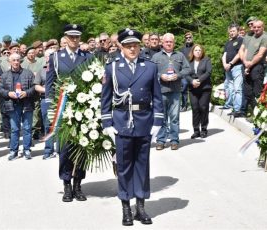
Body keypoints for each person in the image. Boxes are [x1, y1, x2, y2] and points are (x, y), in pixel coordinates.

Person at [101, 28, 164, 226]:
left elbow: (157, 96)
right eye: (128, 45)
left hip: (144, 120)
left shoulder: (150, 67)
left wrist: (158, 121)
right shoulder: (112, 67)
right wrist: (107, 123)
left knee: (142, 166)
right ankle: (126, 208)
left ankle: (141, 207)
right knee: (124, 166)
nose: (132, 48)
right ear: (121, 46)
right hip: (122, 122)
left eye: (135, 45)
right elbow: (106, 98)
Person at [45, 24, 92, 202]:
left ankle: (78, 184)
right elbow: (50, 83)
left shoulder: (88, 56)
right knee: (65, 148)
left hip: (84, 108)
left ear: (80, 38)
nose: (74, 39)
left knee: (82, 146)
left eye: (77, 37)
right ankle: (66, 184)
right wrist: (51, 107)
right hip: (63, 108)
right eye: (71, 36)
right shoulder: (55, 57)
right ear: (65, 37)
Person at [151, 33, 191, 151]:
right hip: (160, 91)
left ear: (174, 43)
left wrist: (177, 75)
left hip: (175, 91)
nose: (168, 43)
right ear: (162, 43)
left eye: (171, 42)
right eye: (166, 41)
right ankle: (160, 140)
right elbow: (150, 71)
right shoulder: (156, 57)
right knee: (161, 117)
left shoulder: (180, 55)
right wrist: (160, 76)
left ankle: (174, 140)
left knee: (174, 117)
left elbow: (188, 69)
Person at [0, 53, 36, 160]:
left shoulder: (28, 73)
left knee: (27, 128)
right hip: (12, 105)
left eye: (17, 60)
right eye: (13, 60)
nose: (15, 62)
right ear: (10, 62)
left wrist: (27, 93)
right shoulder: (4, 75)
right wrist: (8, 94)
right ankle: (14, 151)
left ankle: (27, 150)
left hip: (27, 104)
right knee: (14, 129)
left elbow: (34, 87)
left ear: (20, 61)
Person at [186, 44, 212, 138]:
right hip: (193, 89)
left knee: (203, 108)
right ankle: (196, 130)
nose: (198, 52)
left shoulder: (206, 60)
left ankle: (204, 129)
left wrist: (199, 80)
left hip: (205, 88)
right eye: (196, 50)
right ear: (193, 52)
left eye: (199, 50)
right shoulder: (189, 62)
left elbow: (208, 72)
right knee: (195, 108)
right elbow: (186, 74)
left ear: (202, 51)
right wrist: (192, 81)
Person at [242, 20, 267, 119]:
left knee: (257, 92)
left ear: (263, 27)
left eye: (258, 27)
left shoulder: (264, 37)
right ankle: (254, 113)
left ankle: (260, 116)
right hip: (247, 67)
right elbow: (245, 51)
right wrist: (245, 64)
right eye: (255, 27)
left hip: (257, 67)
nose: (256, 29)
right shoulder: (252, 37)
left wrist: (250, 64)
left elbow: (260, 54)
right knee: (248, 92)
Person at [221, 24, 243, 117]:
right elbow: (224, 55)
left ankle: (238, 110)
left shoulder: (241, 40)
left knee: (237, 88)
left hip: (237, 67)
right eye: (230, 31)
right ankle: (234, 108)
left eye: (233, 31)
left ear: (237, 31)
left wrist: (230, 63)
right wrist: (225, 64)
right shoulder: (228, 43)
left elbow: (239, 54)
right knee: (231, 89)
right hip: (228, 68)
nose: (232, 32)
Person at [179, 32, 194, 112]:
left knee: (194, 88)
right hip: (184, 72)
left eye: (190, 37)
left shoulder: (196, 47)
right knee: (184, 87)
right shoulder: (182, 49)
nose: (188, 38)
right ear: (185, 39)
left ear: (192, 37)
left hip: (194, 72)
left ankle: (194, 105)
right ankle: (184, 105)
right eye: (187, 37)